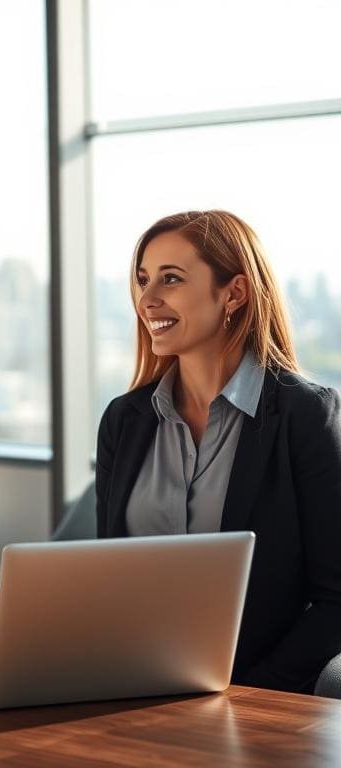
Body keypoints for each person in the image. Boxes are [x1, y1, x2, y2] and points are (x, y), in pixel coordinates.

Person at [96, 209, 341, 694]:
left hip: (254, 694)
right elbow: (110, 576)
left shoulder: (304, 415)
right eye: (143, 280)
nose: (147, 300)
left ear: (234, 292)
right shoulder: (124, 420)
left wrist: (251, 691)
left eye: (171, 279)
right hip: (131, 685)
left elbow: (338, 599)